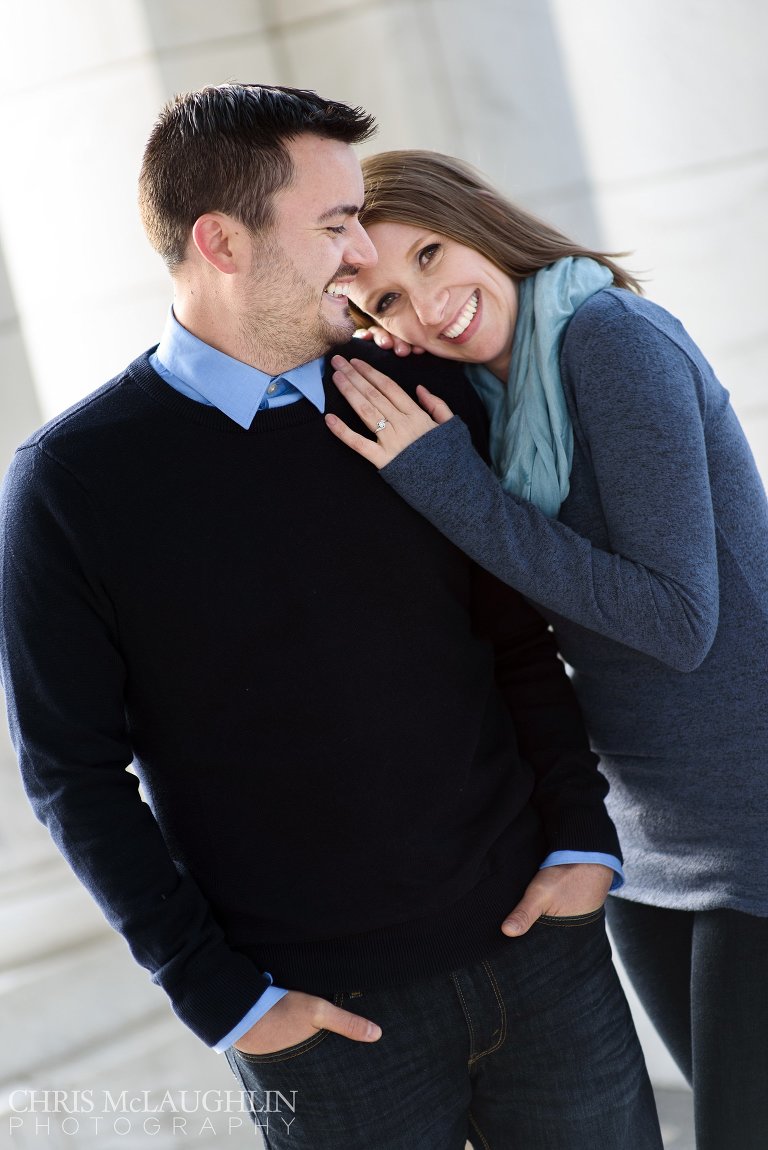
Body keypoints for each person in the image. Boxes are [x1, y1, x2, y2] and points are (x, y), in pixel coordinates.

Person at [0, 88, 662, 1150]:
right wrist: (226, 1001)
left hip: (546, 959)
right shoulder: (71, 484)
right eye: (334, 225)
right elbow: (71, 774)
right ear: (221, 242)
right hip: (326, 1029)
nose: (360, 254)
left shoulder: (410, 395)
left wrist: (583, 840)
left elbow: (514, 641)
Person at [326, 148, 768, 1150]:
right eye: (386, 300)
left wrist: (450, 486)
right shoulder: (488, 393)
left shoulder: (609, 339)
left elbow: (676, 622)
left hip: (750, 817)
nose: (428, 308)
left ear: (476, 219)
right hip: (647, 835)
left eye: (430, 255)